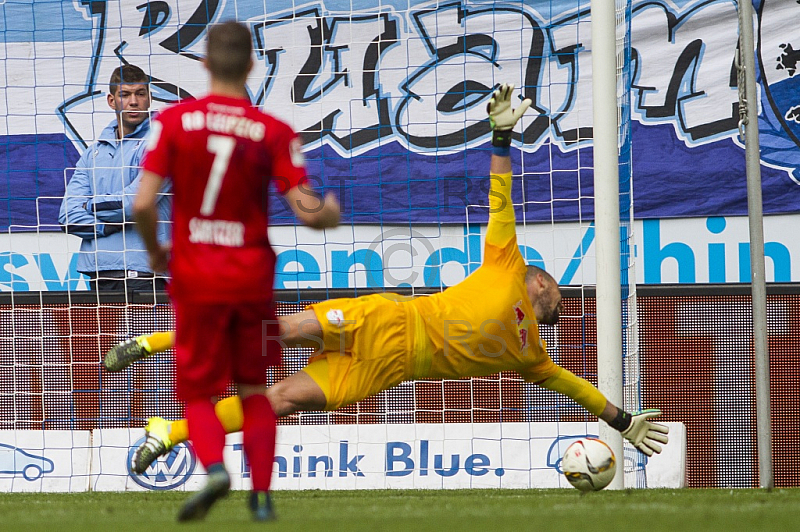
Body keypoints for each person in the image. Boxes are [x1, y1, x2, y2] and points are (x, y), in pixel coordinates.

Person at [113, 83, 670, 483]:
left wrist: (622, 421)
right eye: (561, 297)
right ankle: (154, 341)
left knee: (279, 400)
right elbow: (500, 196)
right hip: (388, 318)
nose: (563, 307)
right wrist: (501, 137)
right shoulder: (505, 262)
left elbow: (575, 387)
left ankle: (169, 431)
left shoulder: (533, 354)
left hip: (386, 370)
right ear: (541, 283)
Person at [131, 21, 340, 522]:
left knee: (197, 393)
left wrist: (157, 252)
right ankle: (262, 498)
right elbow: (308, 211)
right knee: (253, 389)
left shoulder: (174, 122)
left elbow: (141, 205)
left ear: (204, 64)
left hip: (196, 275)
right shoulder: (274, 132)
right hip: (250, 277)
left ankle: (214, 469)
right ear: (251, 65)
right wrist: (329, 210)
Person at [59, 64, 171, 292]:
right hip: (99, 273)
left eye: (140, 94)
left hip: (147, 274)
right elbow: (67, 216)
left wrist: (89, 206)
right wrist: (105, 227)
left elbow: (135, 203)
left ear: (149, 99)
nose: (133, 102)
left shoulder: (163, 143)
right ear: (111, 101)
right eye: (125, 94)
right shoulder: (93, 153)